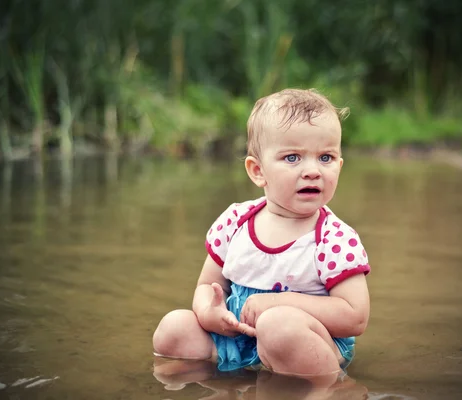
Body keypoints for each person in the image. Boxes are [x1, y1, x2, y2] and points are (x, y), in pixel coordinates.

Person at [153, 88, 371, 377]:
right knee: (173, 329)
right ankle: (225, 387)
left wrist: (278, 303)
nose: (313, 171)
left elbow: (355, 317)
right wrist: (209, 312)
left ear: (339, 166)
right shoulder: (235, 222)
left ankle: (333, 389)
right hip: (236, 341)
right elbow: (207, 285)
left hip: (306, 345)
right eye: (293, 158)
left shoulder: (333, 238)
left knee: (277, 326)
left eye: (326, 158)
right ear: (258, 171)